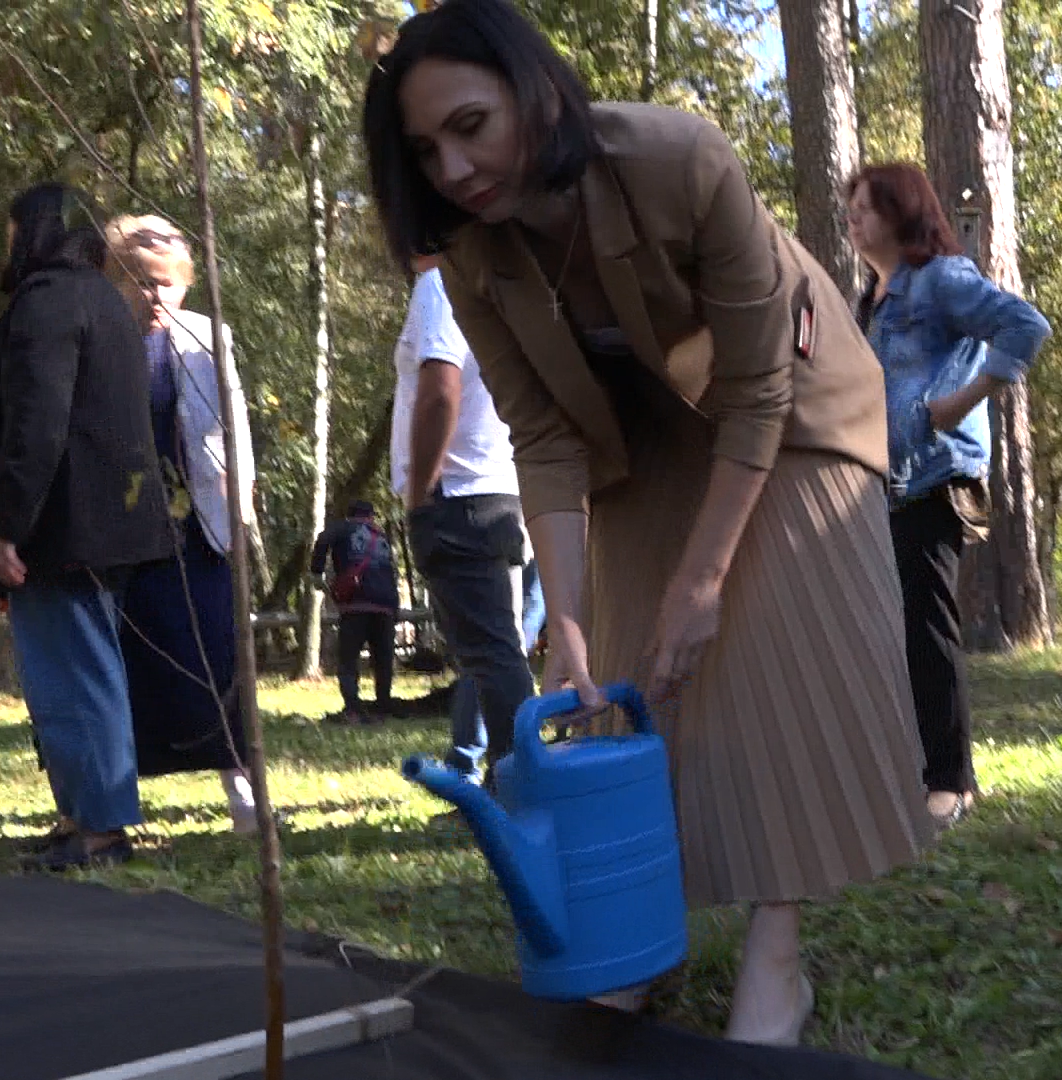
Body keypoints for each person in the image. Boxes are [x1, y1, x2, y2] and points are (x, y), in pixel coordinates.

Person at [362, 0, 928, 1045]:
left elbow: (757, 392)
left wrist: (703, 584)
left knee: (771, 664)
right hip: (633, 435)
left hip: (792, 411)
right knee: (625, 677)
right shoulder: (472, 255)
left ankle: (778, 957)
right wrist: (565, 613)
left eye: (470, 126)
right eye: (425, 150)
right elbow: (542, 434)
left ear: (532, 92)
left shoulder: (678, 155)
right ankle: (631, 939)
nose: (451, 168)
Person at [0, 182, 176, 871]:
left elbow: (38, 422)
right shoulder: (101, 299)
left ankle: (102, 830)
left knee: (79, 680)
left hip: (64, 529)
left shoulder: (49, 302)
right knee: (64, 680)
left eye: (14, 232)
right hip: (93, 524)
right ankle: (80, 814)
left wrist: (8, 524)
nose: (8, 246)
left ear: (38, 231)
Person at [845, 164, 1052, 830]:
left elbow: (1025, 326)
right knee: (892, 629)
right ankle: (909, 768)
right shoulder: (871, 299)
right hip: (882, 486)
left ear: (904, 214)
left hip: (935, 480)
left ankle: (951, 782)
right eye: (849, 207)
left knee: (928, 629)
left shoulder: (940, 281)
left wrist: (958, 402)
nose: (853, 218)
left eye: (867, 207)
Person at [101, 215, 260, 836]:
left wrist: (241, 499)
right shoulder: (101, 340)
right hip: (126, 531)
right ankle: (119, 796)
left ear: (186, 285)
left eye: (167, 283)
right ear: (114, 280)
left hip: (202, 525)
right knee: (131, 659)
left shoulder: (208, 336)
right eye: (140, 281)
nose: (155, 295)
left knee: (219, 654)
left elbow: (235, 426)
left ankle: (241, 788)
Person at [387, 255, 534, 785]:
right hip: (506, 491)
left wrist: (421, 489)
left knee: (493, 657)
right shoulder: (498, 279)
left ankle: (521, 790)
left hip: (460, 495)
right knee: (499, 652)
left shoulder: (440, 282)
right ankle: (510, 781)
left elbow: (441, 389)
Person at [311, 501, 401, 722]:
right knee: (383, 659)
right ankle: (383, 707)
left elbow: (323, 539)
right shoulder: (382, 537)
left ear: (349, 515)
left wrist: (317, 572)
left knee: (348, 658)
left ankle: (352, 708)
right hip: (385, 605)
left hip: (356, 602)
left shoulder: (343, 528)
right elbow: (393, 572)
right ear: (371, 516)